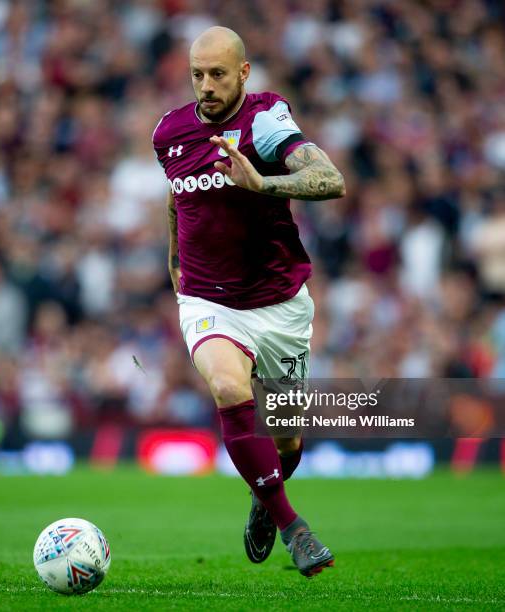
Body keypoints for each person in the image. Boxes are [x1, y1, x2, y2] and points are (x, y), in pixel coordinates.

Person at [152, 26, 345, 578]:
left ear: (243, 72)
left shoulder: (265, 120)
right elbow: (177, 197)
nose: (206, 86)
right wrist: (175, 268)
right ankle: (294, 528)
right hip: (210, 301)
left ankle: (266, 496)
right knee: (229, 387)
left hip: (279, 303)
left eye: (217, 74)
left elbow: (330, 179)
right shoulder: (169, 131)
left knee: (285, 440)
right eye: (197, 74)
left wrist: (262, 184)